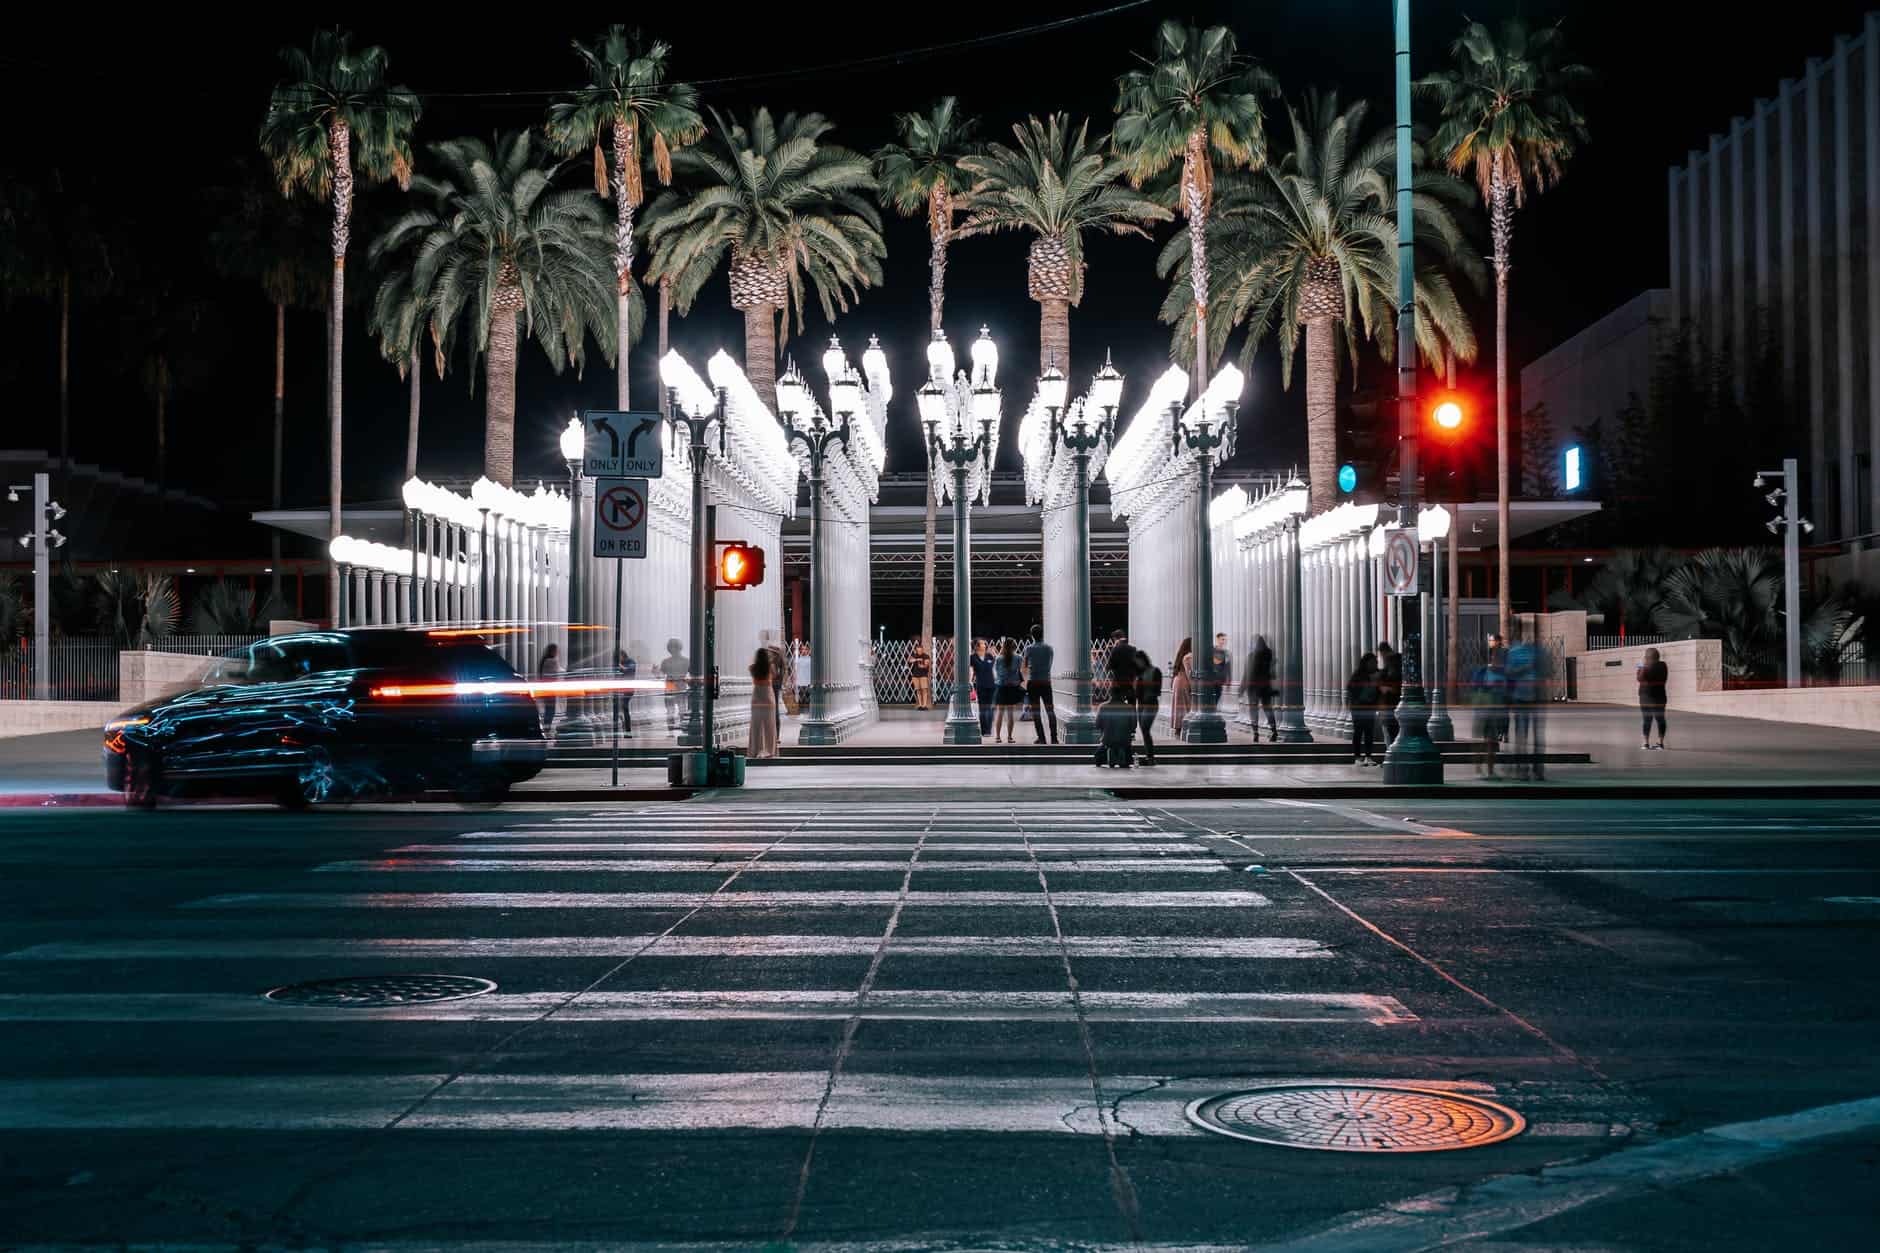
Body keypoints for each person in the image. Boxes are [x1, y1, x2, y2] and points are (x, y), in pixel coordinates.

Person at [1504, 622, 1549, 780]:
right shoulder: (1515, 651)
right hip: (1521, 698)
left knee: (1537, 735)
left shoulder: (1539, 651)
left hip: (1536, 698)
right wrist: (1525, 668)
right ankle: (1522, 768)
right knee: (1522, 735)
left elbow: (1547, 671)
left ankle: (1537, 769)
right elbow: (1509, 672)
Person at [1470, 643, 1508, 778]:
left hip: (1494, 711)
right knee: (1482, 742)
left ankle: (1490, 771)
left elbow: (1505, 691)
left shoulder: (1502, 673)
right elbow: (1474, 688)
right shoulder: (1482, 672)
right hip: (1481, 711)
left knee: (1492, 742)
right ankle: (1478, 768)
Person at [1022, 625, 1059, 745]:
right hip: (1046, 682)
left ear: (1032, 635)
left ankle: (1041, 738)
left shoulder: (1029, 649)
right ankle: (1054, 738)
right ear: (1043, 634)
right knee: (1050, 711)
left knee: (1036, 711)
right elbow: (1050, 664)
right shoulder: (1049, 648)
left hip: (1034, 682)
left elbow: (1025, 665)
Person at [1348, 651, 1382, 766]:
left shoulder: (1378, 674)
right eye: (1373, 662)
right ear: (1366, 663)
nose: (1375, 664)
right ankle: (1357, 757)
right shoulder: (1358, 675)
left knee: (1369, 732)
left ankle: (1368, 756)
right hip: (1358, 707)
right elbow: (1351, 689)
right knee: (1358, 731)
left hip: (1370, 706)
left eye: (1376, 662)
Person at [1096, 679, 1136, 768]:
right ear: (1123, 695)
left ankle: (1109, 756)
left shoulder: (1102, 707)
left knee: (1098, 759)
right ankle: (1123, 757)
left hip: (1107, 741)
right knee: (1128, 756)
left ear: (1110, 694)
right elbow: (1134, 726)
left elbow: (1097, 724)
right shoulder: (1129, 708)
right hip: (1124, 741)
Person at [1244, 634, 1278, 741]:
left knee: (1254, 710)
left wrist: (1242, 688)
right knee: (1268, 709)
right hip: (1265, 686)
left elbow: (1247, 674)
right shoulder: (1269, 655)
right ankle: (1274, 730)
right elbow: (1272, 673)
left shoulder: (1251, 656)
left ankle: (1256, 733)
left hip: (1253, 687)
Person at [992, 636, 1025, 743]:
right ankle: (1010, 737)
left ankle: (997, 737)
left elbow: (996, 672)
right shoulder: (1019, 658)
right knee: (1010, 713)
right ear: (1015, 646)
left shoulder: (998, 658)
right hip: (1012, 687)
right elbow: (1020, 670)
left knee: (1000, 712)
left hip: (1001, 687)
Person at [747, 649, 779, 759]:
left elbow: (751, 670)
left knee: (756, 727)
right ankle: (769, 750)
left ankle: (755, 750)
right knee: (769, 726)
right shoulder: (771, 667)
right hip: (768, 698)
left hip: (756, 699)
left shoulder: (752, 668)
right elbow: (775, 675)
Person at [1637, 645, 1669, 750]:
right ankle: (1660, 743)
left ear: (1647, 657)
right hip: (1660, 697)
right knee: (1660, 720)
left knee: (1647, 720)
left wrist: (1642, 666)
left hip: (1646, 698)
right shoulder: (1663, 665)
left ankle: (1646, 743)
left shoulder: (1646, 667)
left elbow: (1640, 678)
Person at [1135, 653, 1164, 766]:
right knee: (1143, 730)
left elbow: (1157, 688)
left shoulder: (1154, 671)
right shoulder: (1139, 673)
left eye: (1138, 661)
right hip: (1141, 704)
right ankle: (1150, 757)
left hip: (1151, 703)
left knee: (1145, 728)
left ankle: (1150, 757)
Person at [658, 637, 689, 734]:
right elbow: (659, 675)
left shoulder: (667, 661)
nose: (672, 650)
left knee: (680, 710)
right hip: (674, 687)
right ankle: (672, 731)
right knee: (672, 711)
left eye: (674, 647)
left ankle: (676, 730)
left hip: (675, 687)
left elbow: (660, 675)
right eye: (671, 647)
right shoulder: (686, 661)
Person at [1375, 642, 1402, 746]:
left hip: (1390, 705)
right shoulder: (1395, 661)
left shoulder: (1391, 663)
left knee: (1390, 733)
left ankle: (1391, 756)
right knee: (1392, 732)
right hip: (1393, 705)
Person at [970, 638, 997, 735]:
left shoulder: (990, 656)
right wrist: (970, 682)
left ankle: (988, 730)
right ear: (977, 646)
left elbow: (994, 670)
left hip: (991, 685)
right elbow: (971, 671)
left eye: (985, 643)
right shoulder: (972, 657)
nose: (985, 644)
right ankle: (984, 730)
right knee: (982, 708)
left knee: (990, 708)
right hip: (981, 685)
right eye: (982, 643)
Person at [1170, 637, 1194, 736]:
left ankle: (1178, 729)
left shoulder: (1182, 655)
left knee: (1178, 707)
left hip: (1178, 680)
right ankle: (1183, 728)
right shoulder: (1189, 656)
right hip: (1184, 682)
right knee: (1185, 706)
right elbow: (1189, 673)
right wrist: (1194, 687)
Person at [536, 643, 561, 735]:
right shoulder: (552, 661)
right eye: (556, 650)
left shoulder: (544, 660)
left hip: (545, 688)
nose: (557, 652)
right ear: (552, 651)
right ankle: (547, 729)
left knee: (548, 709)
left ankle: (546, 728)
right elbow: (556, 673)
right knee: (551, 710)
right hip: (551, 689)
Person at [614, 645, 637, 735]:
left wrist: (619, 666)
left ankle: (627, 730)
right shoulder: (621, 662)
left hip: (628, 689)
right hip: (620, 689)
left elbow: (628, 670)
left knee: (624, 708)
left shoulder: (630, 661)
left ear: (622, 654)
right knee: (622, 709)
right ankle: (624, 728)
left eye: (618, 656)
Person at [1207, 632, 1232, 717]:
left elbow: (1228, 667)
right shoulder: (1211, 650)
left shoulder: (1226, 653)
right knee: (1212, 696)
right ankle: (1211, 711)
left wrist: (1229, 680)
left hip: (1220, 679)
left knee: (1218, 695)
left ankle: (1213, 711)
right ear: (1217, 639)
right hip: (1211, 679)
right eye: (1222, 639)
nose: (1224, 641)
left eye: (1225, 640)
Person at [909, 640, 932, 710]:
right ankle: (920, 704)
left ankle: (924, 705)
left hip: (923, 675)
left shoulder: (926, 656)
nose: (919, 652)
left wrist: (922, 665)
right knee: (918, 690)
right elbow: (910, 660)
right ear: (916, 650)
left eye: (920, 650)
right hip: (915, 675)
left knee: (924, 689)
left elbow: (926, 664)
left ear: (922, 650)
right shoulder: (914, 655)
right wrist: (916, 659)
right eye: (918, 651)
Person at [794, 641, 812, 712]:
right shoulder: (798, 660)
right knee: (801, 697)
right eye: (802, 649)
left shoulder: (810, 660)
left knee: (808, 696)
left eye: (805, 649)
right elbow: (795, 670)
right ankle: (801, 710)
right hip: (800, 681)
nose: (803, 651)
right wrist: (795, 679)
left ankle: (807, 710)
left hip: (808, 681)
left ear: (808, 651)